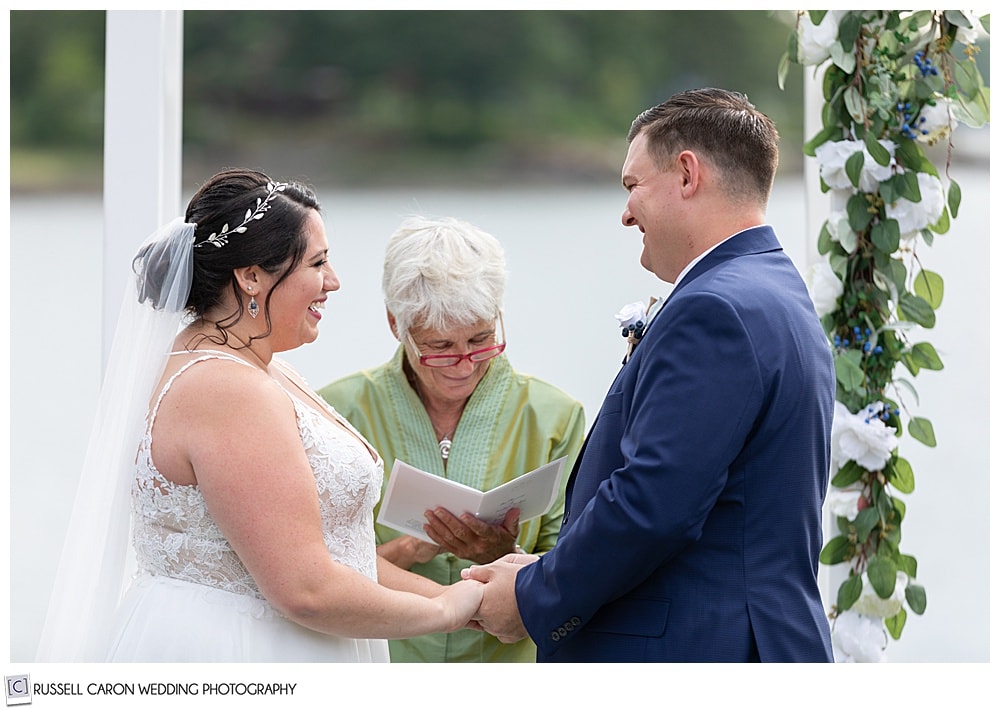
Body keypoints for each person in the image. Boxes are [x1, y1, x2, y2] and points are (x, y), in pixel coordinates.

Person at [35, 169, 482, 663]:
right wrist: (446, 615)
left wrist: (459, 595)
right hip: (240, 655)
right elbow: (306, 589)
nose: (333, 282)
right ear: (250, 276)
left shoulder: (259, 369)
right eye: (318, 263)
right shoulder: (226, 389)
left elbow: (341, 555)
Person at [464, 88, 836, 662]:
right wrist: (548, 564)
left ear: (687, 174)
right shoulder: (774, 291)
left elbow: (654, 505)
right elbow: (720, 515)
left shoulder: (716, 310)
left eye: (632, 185)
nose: (626, 212)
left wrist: (534, 595)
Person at [318, 215, 586, 662]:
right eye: (440, 347)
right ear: (395, 325)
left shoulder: (555, 416)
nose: (463, 364)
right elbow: (314, 564)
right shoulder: (338, 412)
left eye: (481, 340)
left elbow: (578, 566)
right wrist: (407, 547)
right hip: (380, 661)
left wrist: (508, 553)